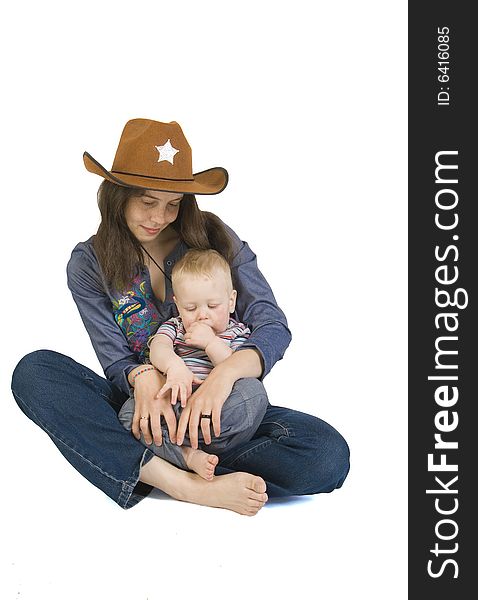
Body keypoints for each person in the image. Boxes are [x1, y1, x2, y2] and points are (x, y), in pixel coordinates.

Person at [11, 118, 350, 516]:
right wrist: (148, 379)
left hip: (222, 407)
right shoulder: (89, 262)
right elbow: (115, 358)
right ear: (117, 195)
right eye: (147, 201)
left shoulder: (214, 237)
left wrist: (222, 378)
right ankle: (184, 483)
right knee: (34, 372)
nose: (159, 217)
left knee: (326, 454)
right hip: (146, 405)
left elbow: (271, 324)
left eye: (173, 204)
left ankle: (154, 461)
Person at [118, 248, 268, 481]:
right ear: (178, 306)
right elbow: (159, 347)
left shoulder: (237, 332)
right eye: (191, 308)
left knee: (255, 394)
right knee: (129, 414)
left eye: (213, 306)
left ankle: (181, 450)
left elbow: (235, 366)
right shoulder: (176, 326)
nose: (202, 315)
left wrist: (210, 343)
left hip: (218, 411)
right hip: (173, 407)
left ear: (231, 302)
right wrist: (174, 366)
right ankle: (187, 456)